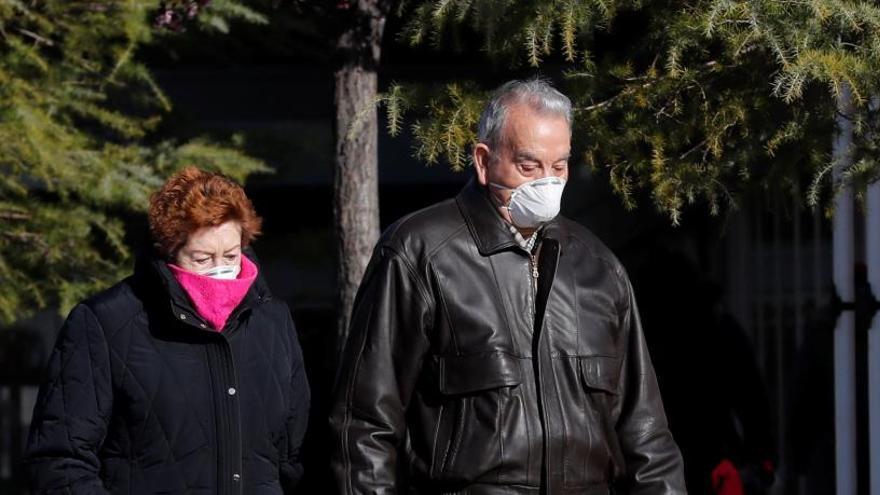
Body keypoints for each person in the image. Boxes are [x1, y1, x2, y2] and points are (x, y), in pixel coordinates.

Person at [330, 79, 685, 494]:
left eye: (559, 166)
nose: (547, 183)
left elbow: (646, 437)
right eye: (529, 166)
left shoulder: (599, 268)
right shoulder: (419, 253)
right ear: (484, 160)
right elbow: (365, 426)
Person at [25, 166, 310, 494]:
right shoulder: (105, 323)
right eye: (202, 259)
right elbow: (60, 458)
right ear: (168, 250)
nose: (220, 270)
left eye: (230, 256)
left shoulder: (271, 322)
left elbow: (290, 454)